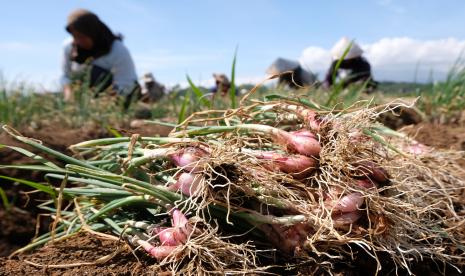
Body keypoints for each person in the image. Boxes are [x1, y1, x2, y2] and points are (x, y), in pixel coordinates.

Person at [61, 9, 139, 109]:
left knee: (94, 72)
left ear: (93, 32)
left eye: (82, 36)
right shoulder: (69, 47)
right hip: (83, 99)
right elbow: (66, 76)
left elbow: (126, 84)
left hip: (113, 98)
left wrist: (101, 103)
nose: (77, 41)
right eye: (74, 36)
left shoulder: (118, 50)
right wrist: (69, 95)